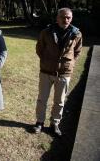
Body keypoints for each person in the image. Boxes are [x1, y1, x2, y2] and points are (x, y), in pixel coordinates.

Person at [33, 8, 82, 136]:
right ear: (57, 18)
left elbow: (77, 51)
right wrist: (46, 60)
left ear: (71, 19)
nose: (66, 20)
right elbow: (39, 48)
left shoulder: (76, 34)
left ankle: (54, 124)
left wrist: (70, 63)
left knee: (59, 101)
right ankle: (39, 123)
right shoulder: (46, 32)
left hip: (64, 73)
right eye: (63, 17)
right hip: (46, 71)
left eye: (68, 18)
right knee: (42, 99)